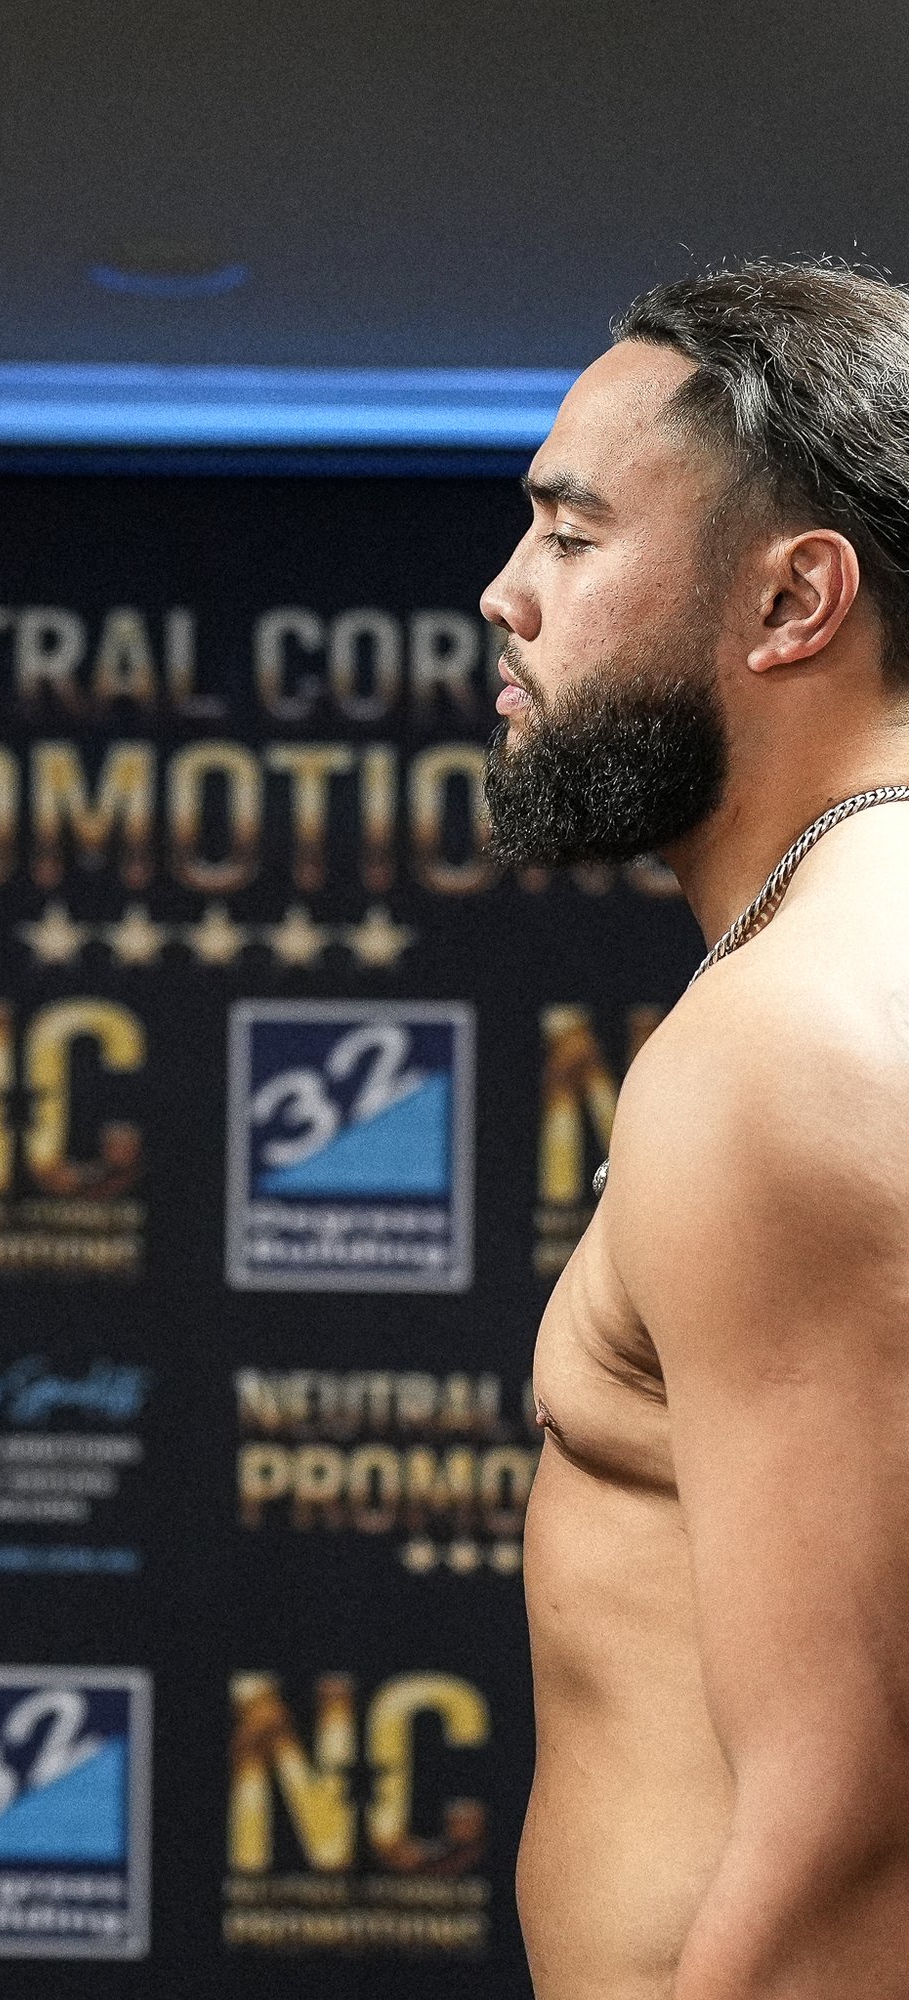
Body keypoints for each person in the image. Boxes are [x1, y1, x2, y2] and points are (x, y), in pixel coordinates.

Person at [480, 260, 909, 1999]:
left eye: (571, 535)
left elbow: (860, 1845)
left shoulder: (786, 1042)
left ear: (794, 597)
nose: (506, 593)